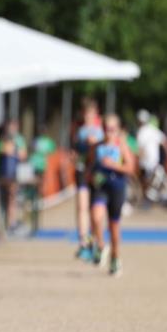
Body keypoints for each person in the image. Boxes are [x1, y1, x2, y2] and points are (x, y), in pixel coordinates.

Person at [87, 114, 135, 277]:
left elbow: (130, 168)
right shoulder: (97, 147)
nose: (109, 133)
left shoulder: (121, 146)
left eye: (112, 130)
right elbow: (91, 165)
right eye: (106, 129)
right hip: (101, 187)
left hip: (117, 186)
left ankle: (115, 258)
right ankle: (101, 246)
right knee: (95, 216)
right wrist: (91, 176)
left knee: (114, 226)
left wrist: (114, 165)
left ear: (118, 130)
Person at [71, 99, 103, 261]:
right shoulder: (79, 131)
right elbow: (75, 150)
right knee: (81, 207)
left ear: (96, 114)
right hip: (82, 172)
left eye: (91, 113)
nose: (88, 116)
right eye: (86, 113)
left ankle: (97, 242)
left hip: (95, 173)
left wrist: (95, 145)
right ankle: (83, 242)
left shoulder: (100, 131)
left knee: (94, 212)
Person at [0, 120, 28, 235]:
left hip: (13, 175)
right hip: (1, 176)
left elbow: (23, 154)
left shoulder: (19, 140)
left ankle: (11, 223)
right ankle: (0, 225)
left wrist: (13, 151)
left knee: (11, 200)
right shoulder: (1, 140)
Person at [135, 109, 167, 207]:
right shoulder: (153, 129)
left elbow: (140, 149)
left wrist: (138, 160)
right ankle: (150, 199)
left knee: (147, 182)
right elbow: (165, 142)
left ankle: (147, 200)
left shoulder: (141, 132)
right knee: (154, 181)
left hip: (146, 162)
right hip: (154, 161)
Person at [27, 126, 57, 234]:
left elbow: (52, 153)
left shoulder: (43, 142)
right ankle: (35, 198)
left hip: (40, 167)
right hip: (37, 167)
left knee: (39, 188)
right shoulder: (40, 141)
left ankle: (38, 197)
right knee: (36, 188)